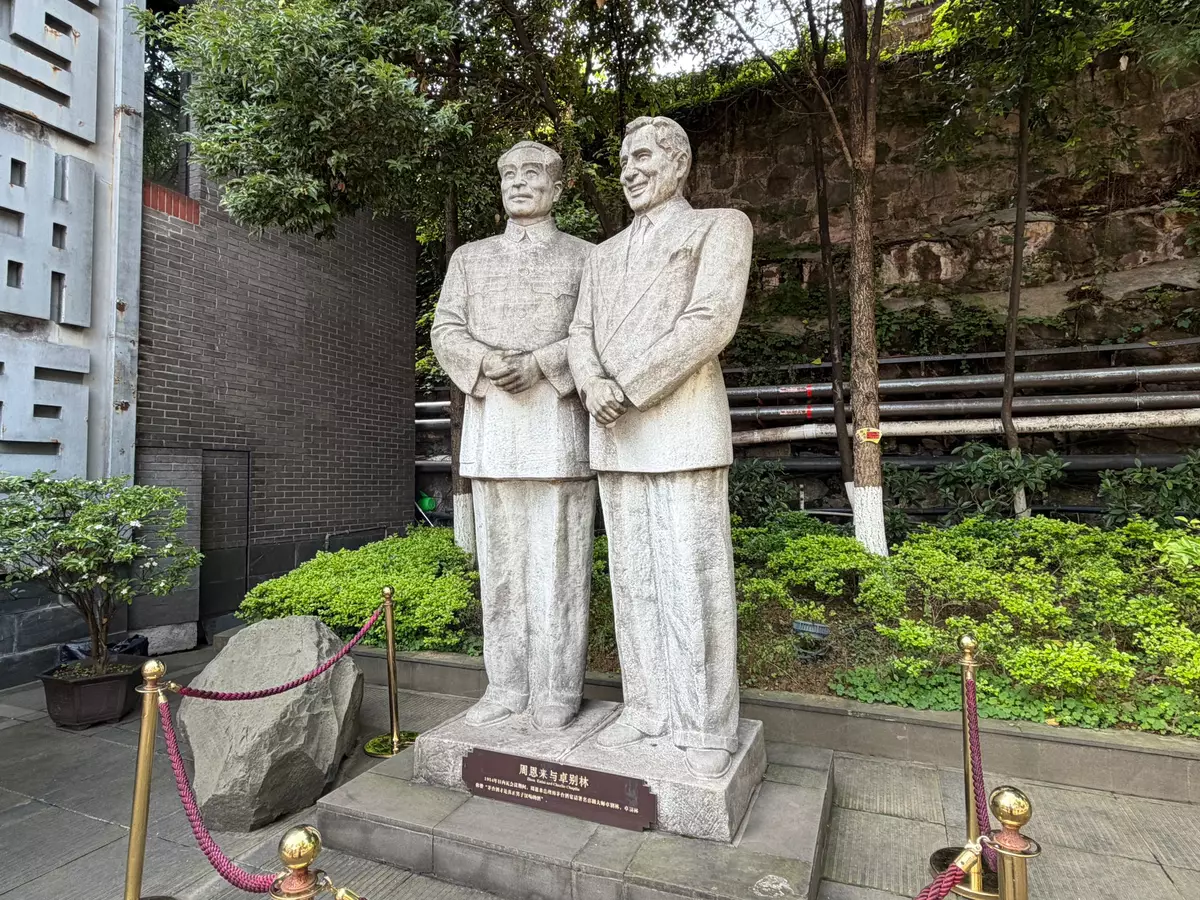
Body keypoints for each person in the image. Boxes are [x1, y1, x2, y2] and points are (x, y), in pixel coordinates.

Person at [568, 116, 753, 778]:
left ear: (679, 164)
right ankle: (645, 707)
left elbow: (711, 320)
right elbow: (580, 332)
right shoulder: (601, 255)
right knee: (633, 581)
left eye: (643, 155)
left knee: (691, 578)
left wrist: (628, 386)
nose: (630, 170)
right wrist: (592, 384)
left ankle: (705, 722)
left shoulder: (720, 227)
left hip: (681, 427)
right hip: (615, 432)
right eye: (623, 159)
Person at [432, 141, 595, 731]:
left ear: (558, 187)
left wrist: (543, 364)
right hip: (493, 426)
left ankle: (556, 689)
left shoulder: (587, 257)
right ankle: (504, 684)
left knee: (558, 567)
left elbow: (597, 333)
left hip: (556, 425)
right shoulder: (469, 259)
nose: (518, 183)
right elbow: (445, 328)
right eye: (508, 174)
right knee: (500, 569)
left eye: (532, 173)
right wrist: (481, 360)